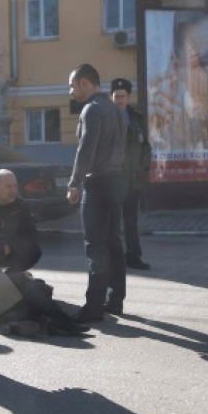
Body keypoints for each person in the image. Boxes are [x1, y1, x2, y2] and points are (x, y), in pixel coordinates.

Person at [0, 169, 89, 336]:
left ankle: (46, 322)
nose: (13, 190)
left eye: (15, 186)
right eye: (8, 186)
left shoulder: (12, 210)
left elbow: (32, 230)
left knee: (38, 287)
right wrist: (0, 261)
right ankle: (61, 322)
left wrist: (7, 256)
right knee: (26, 285)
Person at [67, 64, 127, 323]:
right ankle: (114, 300)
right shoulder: (115, 109)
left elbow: (86, 150)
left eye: (72, 85)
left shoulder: (92, 109)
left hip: (98, 184)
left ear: (84, 82)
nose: (71, 91)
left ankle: (93, 307)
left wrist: (74, 183)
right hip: (116, 181)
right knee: (114, 243)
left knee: (96, 247)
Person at [110, 78, 153, 271]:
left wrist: (143, 167)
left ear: (128, 97)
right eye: (116, 96)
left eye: (123, 96)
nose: (119, 100)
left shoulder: (136, 117)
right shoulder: (105, 117)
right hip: (113, 179)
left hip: (133, 179)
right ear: (112, 97)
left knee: (131, 220)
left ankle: (133, 256)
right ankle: (113, 258)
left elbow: (145, 147)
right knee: (111, 221)